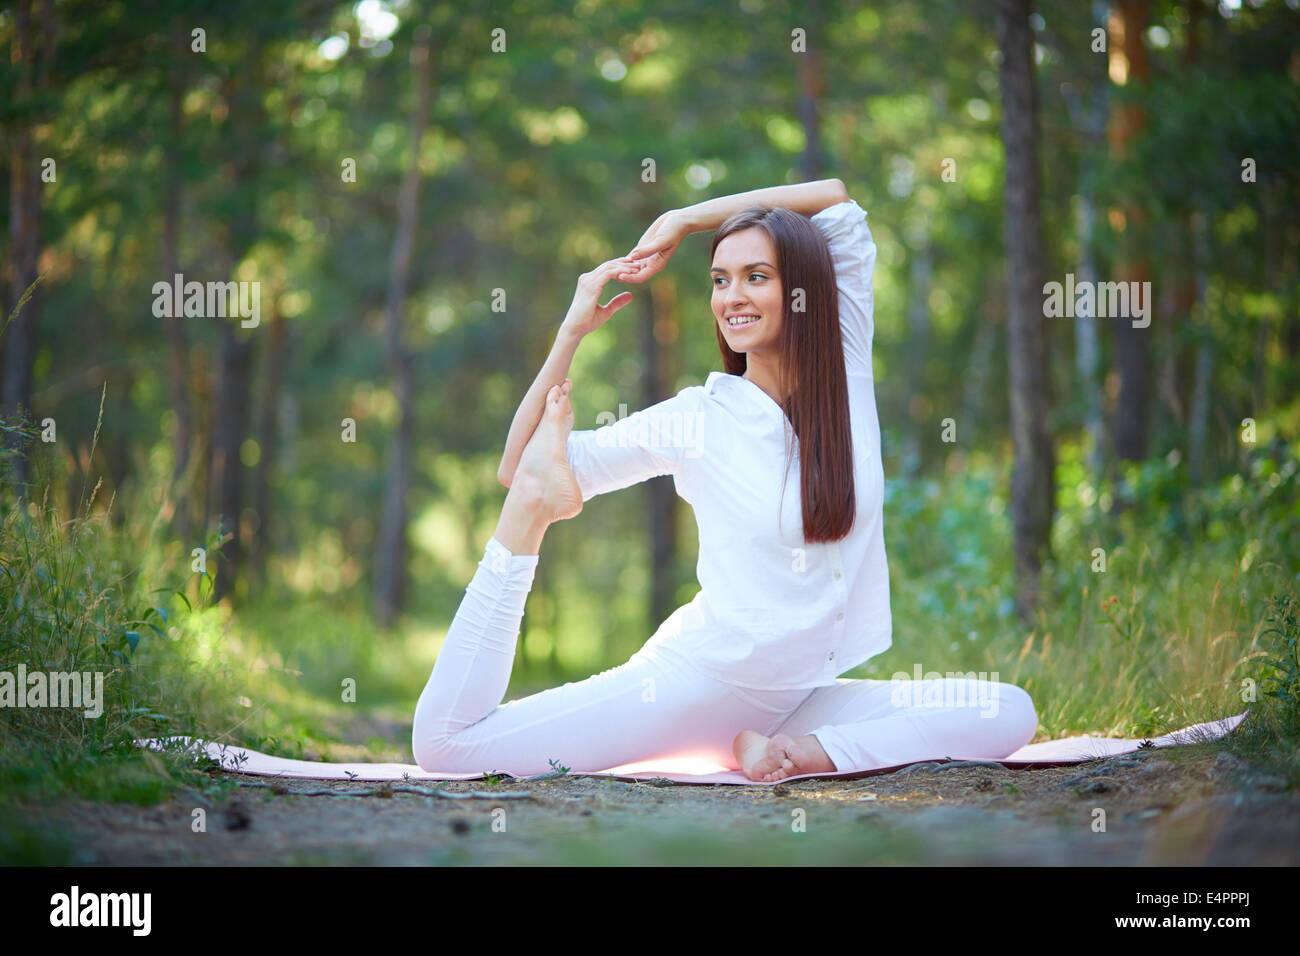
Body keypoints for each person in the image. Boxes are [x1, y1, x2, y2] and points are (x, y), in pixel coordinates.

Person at [412, 178, 1037, 782]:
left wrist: (690, 218)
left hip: (798, 700)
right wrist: (572, 331)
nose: (731, 296)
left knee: (1007, 710)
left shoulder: (846, 366)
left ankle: (797, 754)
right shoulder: (698, 418)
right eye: (720, 280)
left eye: (755, 277)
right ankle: (785, 751)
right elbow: (521, 468)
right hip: (694, 687)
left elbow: (835, 197)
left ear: (803, 293)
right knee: (447, 745)